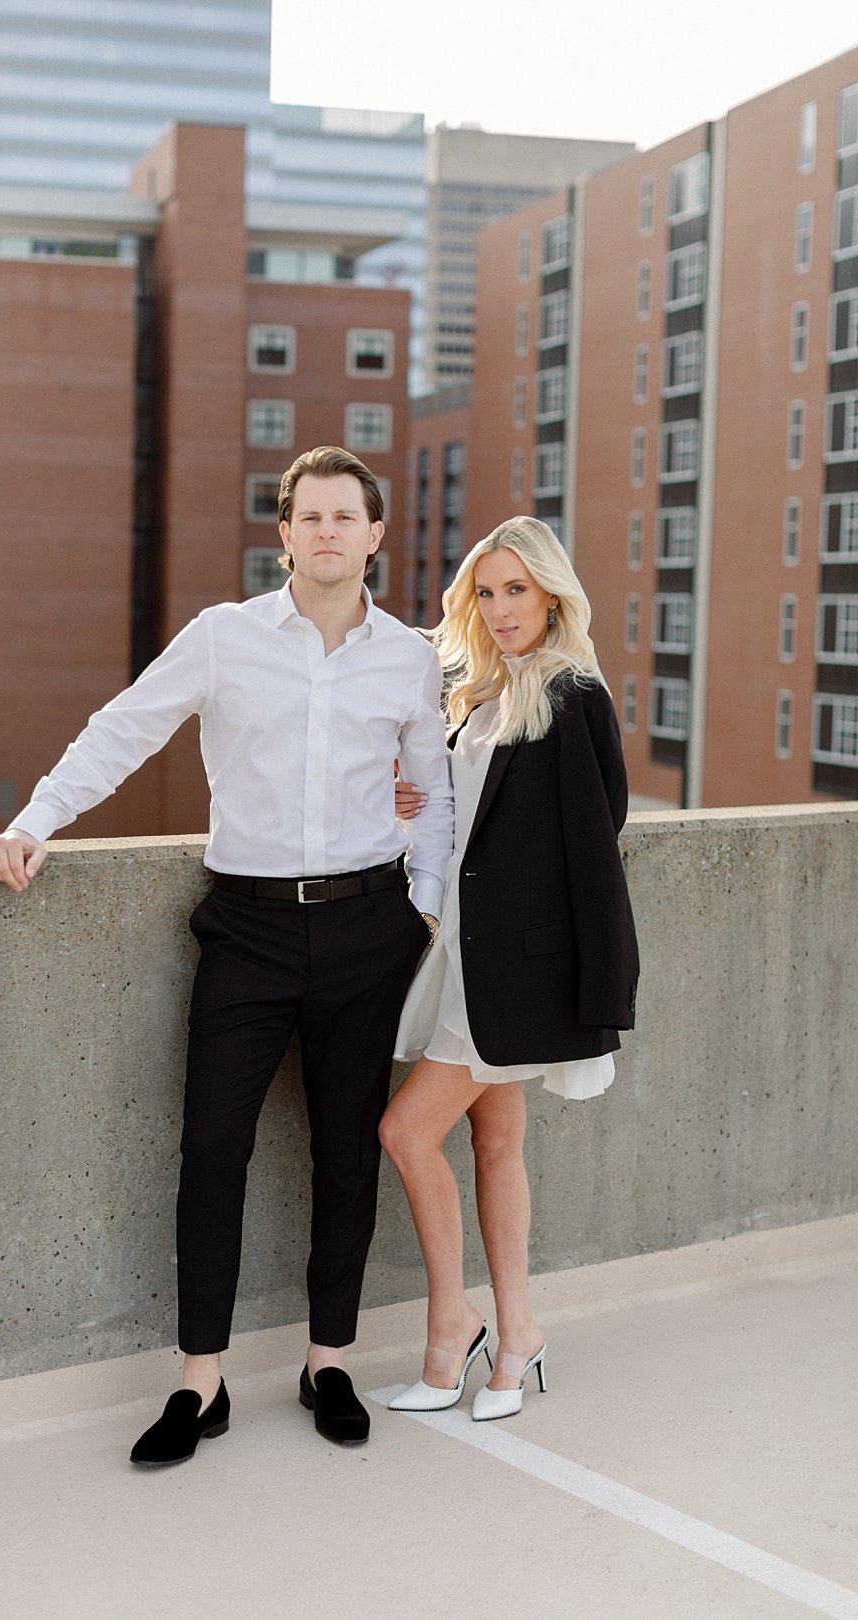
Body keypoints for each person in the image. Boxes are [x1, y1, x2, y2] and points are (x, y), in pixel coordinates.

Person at [0, 445, 453, 1465]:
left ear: (375, 535)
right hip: (248, 929)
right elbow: (121, 732)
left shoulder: (410, 656)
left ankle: (328, 1361)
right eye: (307, 517)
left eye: (344, 517)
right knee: (212, 1151)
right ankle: (202, 1382)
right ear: (284, 534)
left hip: (371, 930)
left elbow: (434, 792)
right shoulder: (223, 639)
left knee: (342, 1152)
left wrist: (422, 908)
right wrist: (33, 822)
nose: (326, 533)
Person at [379, 516, 638, 1421]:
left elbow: (595, 848)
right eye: (484, 593)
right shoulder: (489, 698)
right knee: (495, 1140)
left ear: (553, 592)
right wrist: (420, 800)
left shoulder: (571, 695)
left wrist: (602, 989)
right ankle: (517, 1333)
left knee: (407, 1134)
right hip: (464, 958)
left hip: (516, 974)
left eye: (515, 590)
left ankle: (452, 1332)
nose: (498, 609)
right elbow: (476, 832)